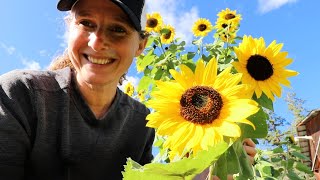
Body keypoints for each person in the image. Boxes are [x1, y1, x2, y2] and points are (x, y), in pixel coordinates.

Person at [0, 0, 256, 179]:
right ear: (70, 27)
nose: (97, 41)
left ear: (141, 45)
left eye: (118, 29)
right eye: (86, 23)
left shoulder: (140, 122)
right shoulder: (22, 95)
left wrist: (205, 172)